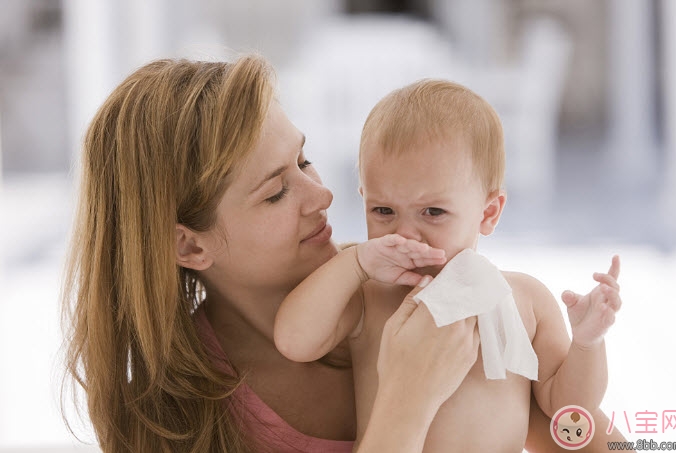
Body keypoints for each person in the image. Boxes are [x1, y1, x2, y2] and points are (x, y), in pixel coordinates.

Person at [61, 54, 627, 452]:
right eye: (277, 190)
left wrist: (585, 346)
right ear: (188, 243)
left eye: (304, 161)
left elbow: (579, 429)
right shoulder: (172, 421)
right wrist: (408, 396)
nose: (325, 195)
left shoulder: (441, 300)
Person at [275, 79, 623, 451]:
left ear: (488, 213)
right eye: (383, 211)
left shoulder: (525, 301)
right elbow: (294, 340)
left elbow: (569, 409)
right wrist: (356, 262)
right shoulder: (369, 297)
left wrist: (587, 343)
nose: (406, 233)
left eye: (434, 212)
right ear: (363, 200)